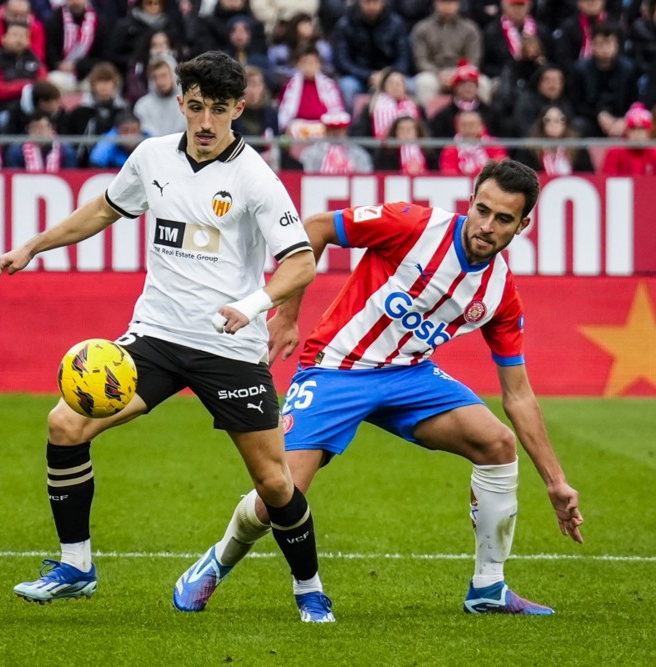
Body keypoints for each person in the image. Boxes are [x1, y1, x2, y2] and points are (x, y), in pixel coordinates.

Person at [0, 51, 334, 623]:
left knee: (274, 483)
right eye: (195, 107)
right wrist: (32, 247)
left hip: (230, 350)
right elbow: (103, 210)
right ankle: (76, 568)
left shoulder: (256, 179)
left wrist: (251, 307)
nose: (204, 122)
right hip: (156, 337)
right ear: (181, 102)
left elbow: (300, 263)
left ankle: (309, 588)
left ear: (238, 110)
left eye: (218, 111)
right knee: (65, 423)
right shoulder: (151, 157)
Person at [174, 158, 584, 616]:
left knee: (497, 443)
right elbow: (314, 229)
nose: (487, 226)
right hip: (336, 369)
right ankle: (216, 561)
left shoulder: (499, 294)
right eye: (482, 210)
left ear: (522, 225)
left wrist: (556, 481)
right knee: (279, 495)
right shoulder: (413, 225)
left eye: (503, 219)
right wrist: (287, 315)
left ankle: (488, 588)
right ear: (470, 201)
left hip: (409, 376)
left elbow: (519, 394)